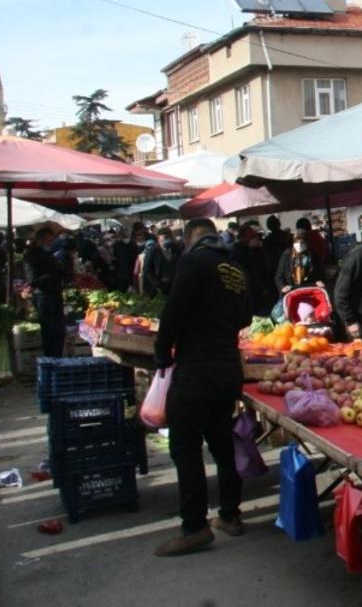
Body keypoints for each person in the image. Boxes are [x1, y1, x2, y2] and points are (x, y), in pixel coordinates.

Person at [152, 218, 252, 557]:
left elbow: (174, 309)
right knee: (222, 441)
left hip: (197, 367)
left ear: (190, 238)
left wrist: (162, 349)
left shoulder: (193, 262)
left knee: (186, 447)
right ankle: (230, 515)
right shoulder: (236, 269)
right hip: (228, 367)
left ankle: (194, 527)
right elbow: (245, 319)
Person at [23, 228, 66, 357]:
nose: (51, 243)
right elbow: (33, 280)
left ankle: (58, 356)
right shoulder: (31, 255)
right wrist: (53, 275)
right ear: (40, 240)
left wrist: (61, 272)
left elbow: (56, 269)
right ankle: (50, 357)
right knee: (49, 330)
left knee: (59, 330)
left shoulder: (48, 253)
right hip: (43, 296)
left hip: (55, 294)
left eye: (51, 240)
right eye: (48, 240)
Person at [231, 224, 275, 316]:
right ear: (243, 238)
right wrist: (260, 288)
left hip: (263, 292)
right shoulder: (236, 253)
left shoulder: (257, 250)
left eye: (255, 236)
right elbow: (244, 275)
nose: (255, 238)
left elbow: (266, 267)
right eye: (251, 236)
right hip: (251, 294)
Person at [276, 230, 324, 294]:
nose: (299, 245)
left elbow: (320, 272)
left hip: (309, 289)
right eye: (296, 242)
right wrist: (282, 286)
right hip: (291, 290)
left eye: (302, 242)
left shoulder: (312, 254)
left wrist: (319, 281)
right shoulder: (287, 254)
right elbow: (279, 275)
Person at [141, 227, 182, 296]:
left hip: (172, 285)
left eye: (168, 238)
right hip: (157, 286)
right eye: (164, 238)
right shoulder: (152, 251)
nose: (166, 240)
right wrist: (156, 284)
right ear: (158, 238)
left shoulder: (176, 249)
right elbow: (147, 270)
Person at [112, 224, 146, 292]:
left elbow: (136, 256)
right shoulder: (116, 245)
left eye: (127, 236)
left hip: (132, 270)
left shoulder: (133, 244)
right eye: (124, 236)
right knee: (122, 289)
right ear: (121, 236)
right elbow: (115, 257)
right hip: (121, 272)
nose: (126, 238)